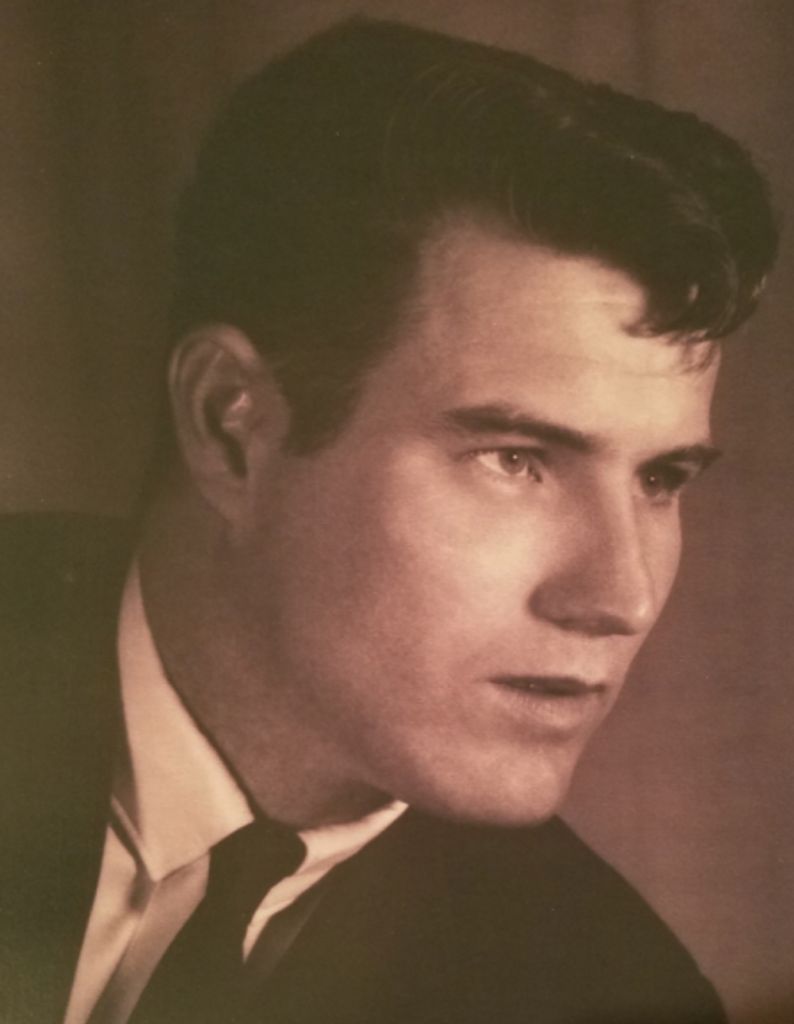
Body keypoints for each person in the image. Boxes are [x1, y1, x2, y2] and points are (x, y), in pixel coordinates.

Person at [0, 15, 778, 1024]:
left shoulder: (610, 994)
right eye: (516, 459)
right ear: (231, 427)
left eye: (660, 478)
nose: (619, 596)